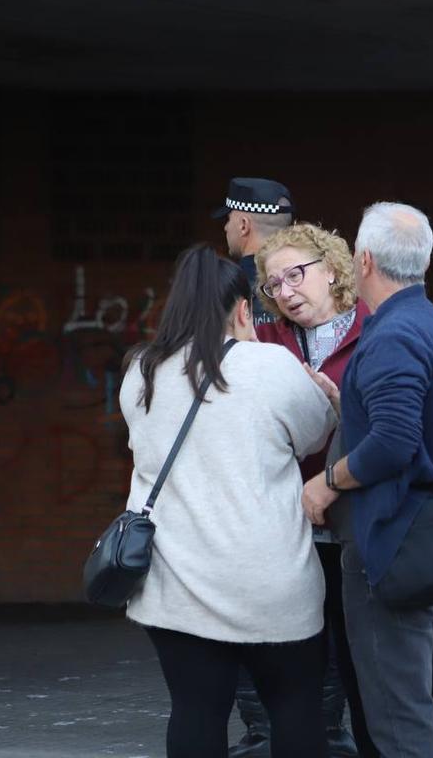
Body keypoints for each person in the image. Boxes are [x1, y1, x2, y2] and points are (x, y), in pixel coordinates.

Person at [119, 244, 336, 758]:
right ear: (243, 309)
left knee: (196, 712)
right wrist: (322, 394)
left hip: (178, 586)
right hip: (272, 581)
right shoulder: (272, 366)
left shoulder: (142, 372)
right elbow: (315, 437)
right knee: (296, 709)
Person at [300, 203, 433, 758]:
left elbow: (393, 444)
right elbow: (408, 427)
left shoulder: (391, 335)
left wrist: (328, 482)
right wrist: (353, 408)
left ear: (363, 259)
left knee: (399, 712)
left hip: (389, 540)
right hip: (432, 538)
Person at [255, 222, 375, 757]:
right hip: (289, 531)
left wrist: (337, 413)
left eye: (295, 275)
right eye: (274, 284)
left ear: (333, 269)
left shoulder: (376, 331)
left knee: (360, 664)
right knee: (298, 666)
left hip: (355, 528)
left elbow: (392, 430)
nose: (285, 292)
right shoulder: (264, 343)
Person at [212, 176, 296, 755]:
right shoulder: (312, 285)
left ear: (243, 224)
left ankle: (263, 736)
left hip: (243, 476)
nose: (223, 230)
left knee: (240, 623)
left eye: (226, 221)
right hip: (310, 477)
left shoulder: (229, 290)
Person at [215, 176, 295, 327]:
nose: (225, 227)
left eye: (228, 219)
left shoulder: (225, 288)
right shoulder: (308, 286)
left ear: (243, 225)